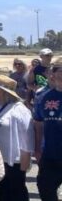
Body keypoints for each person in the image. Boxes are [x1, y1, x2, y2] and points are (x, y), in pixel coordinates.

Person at [0, 75, 32, 201]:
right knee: (1, 191)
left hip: (15, 160)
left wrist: (24, 165)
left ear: (4, 92)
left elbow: (28, 139)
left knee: (17, 192)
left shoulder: (20, 110)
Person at [34, 60, 62, 201]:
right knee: (45, 188)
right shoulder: (43, 98)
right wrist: (37, 149)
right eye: (61, 70)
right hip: (50, 153)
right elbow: (38, 124)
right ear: (53, 74)